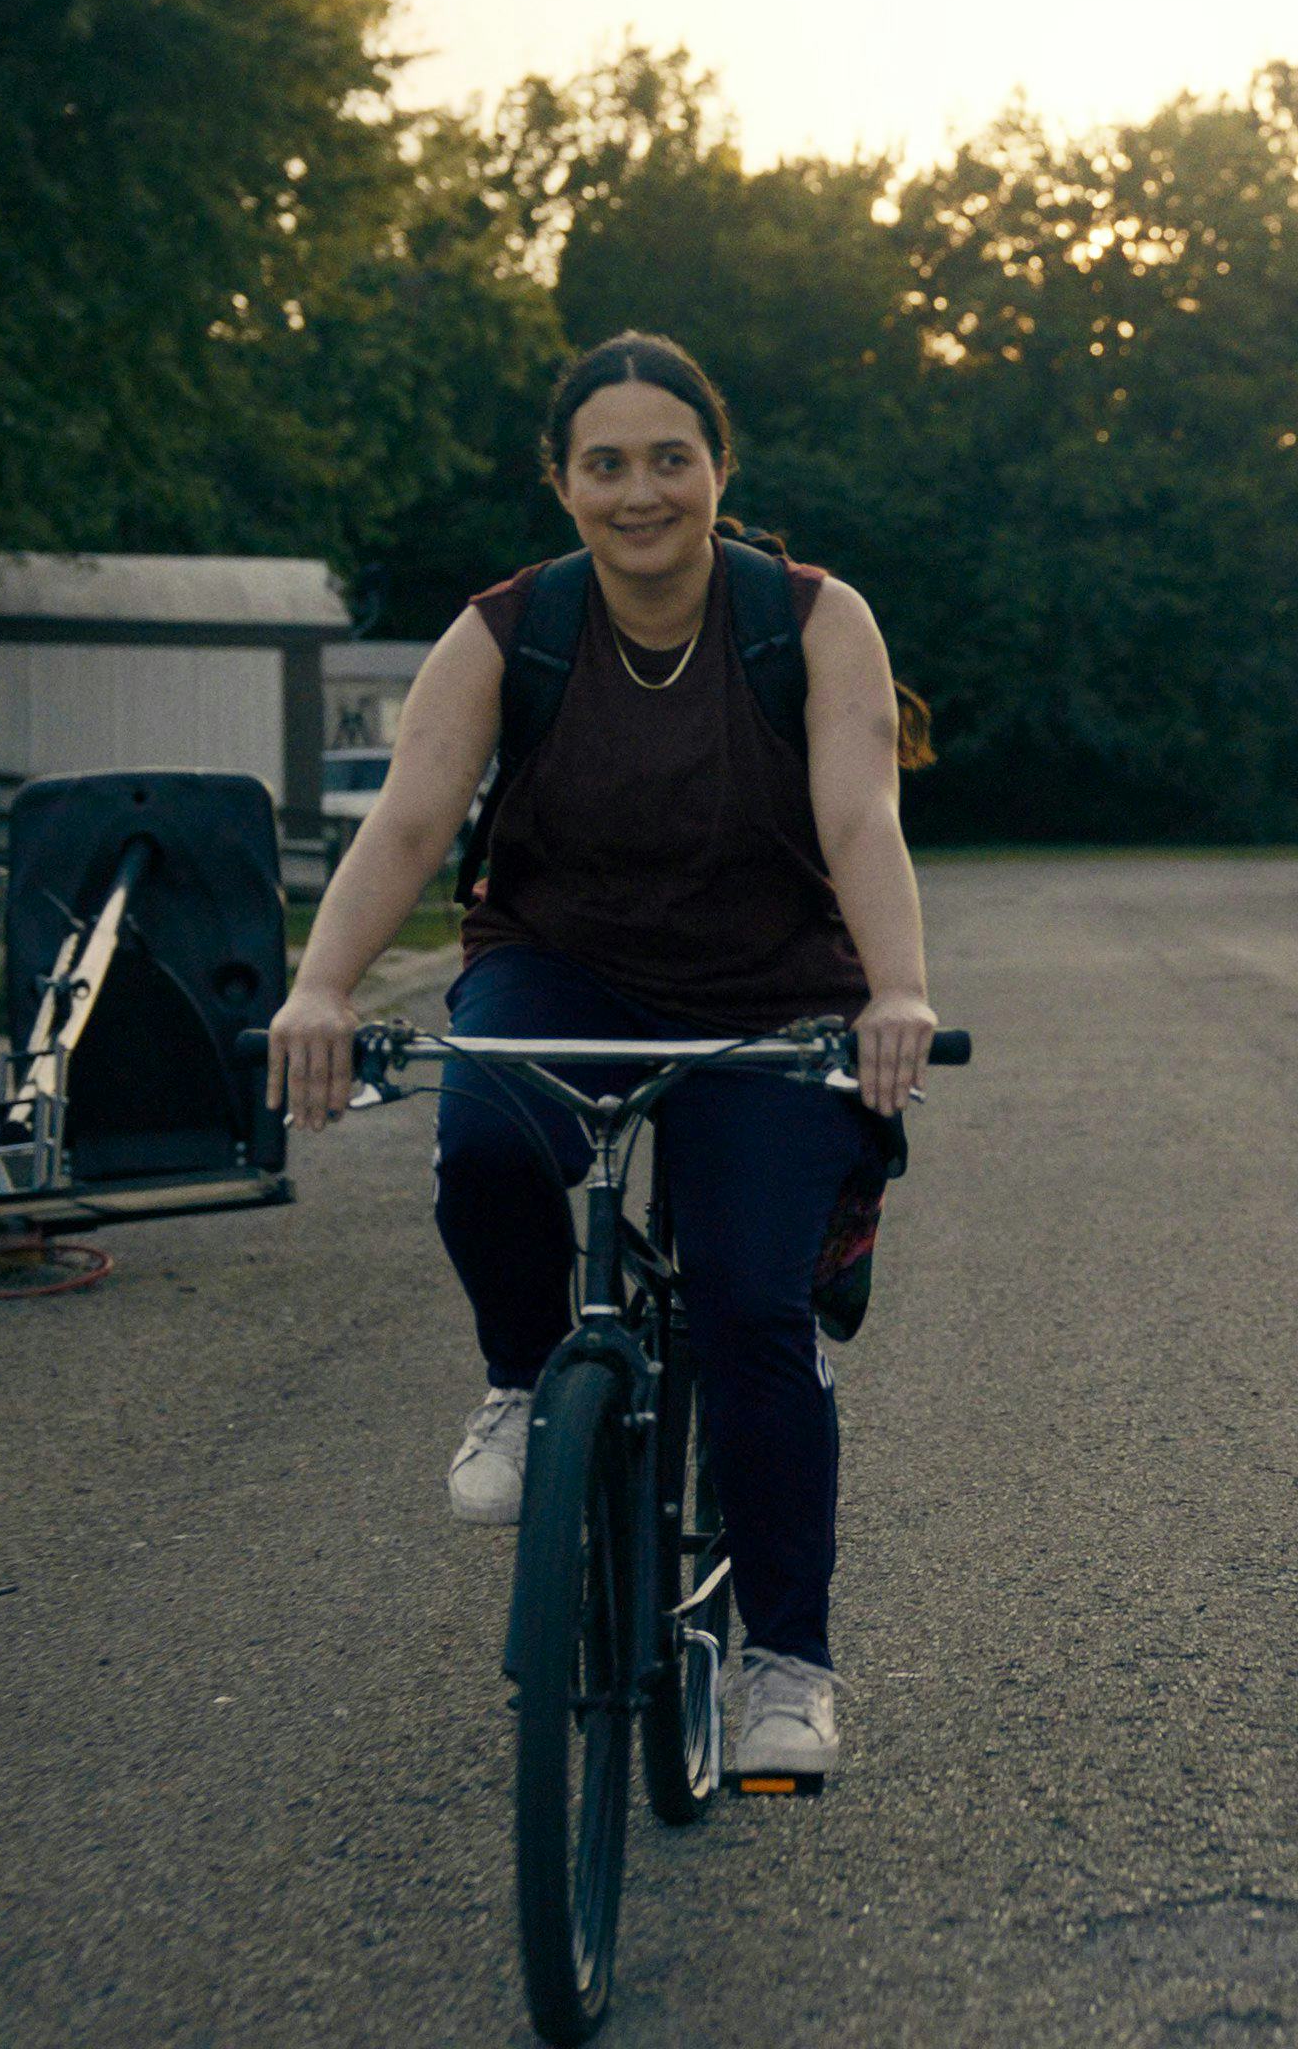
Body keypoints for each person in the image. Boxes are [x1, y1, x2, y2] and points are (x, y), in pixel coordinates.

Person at [264, 331, 941, 1779]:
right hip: (557, 965)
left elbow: (863, 816)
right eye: (606, 464)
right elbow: (408, 823)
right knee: (489, 1144)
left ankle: (785, 1670)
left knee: (755, 1309)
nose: (642, 492)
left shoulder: (812, 621)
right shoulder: (512, 631)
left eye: (670, 459)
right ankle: (521, 1381)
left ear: (718, 469)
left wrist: (895, 993)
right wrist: (319, 990)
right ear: (564, 486)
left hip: (766, 993)